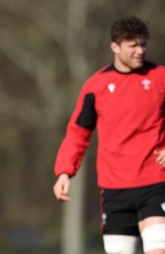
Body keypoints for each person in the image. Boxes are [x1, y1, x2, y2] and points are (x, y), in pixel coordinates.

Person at [53, 16, 165, 254]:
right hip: (114, 188)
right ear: (115, 46)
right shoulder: (96, 86)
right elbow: (78, 132)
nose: (140, 50)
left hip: (156, 181)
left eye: (143, 44)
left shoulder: (159, 78)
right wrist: (65, 171)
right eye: (133, 45)